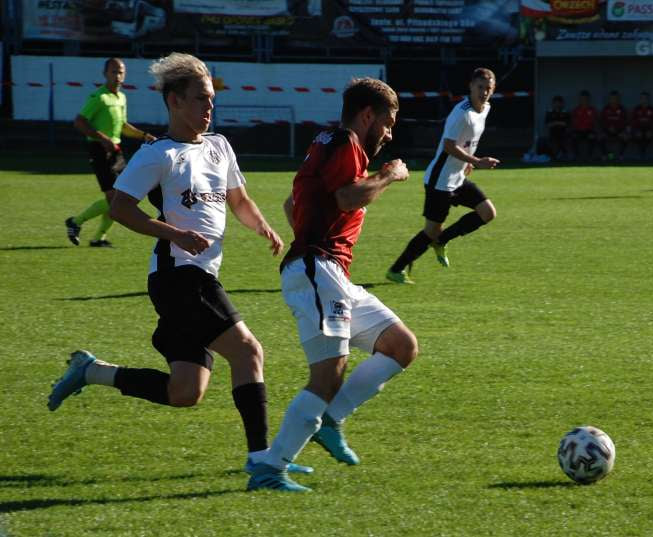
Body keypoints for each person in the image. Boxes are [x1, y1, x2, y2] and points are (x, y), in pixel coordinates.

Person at [48, 53, 292, 486]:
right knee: (249, 352)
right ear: (175, 102)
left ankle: (91, 371)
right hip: (180, 276)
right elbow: (121, 208)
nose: (209, 107)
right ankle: (262, 462)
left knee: (185, 392)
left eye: (212, 99)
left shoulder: (219, 146)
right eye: (200, 99)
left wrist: (264, 227)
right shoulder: (158, 154)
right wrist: (173, 233)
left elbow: (238, 200)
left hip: (200, 275)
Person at [246, 77, 419, 492]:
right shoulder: (346, 143)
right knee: (327, 374)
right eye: (389, 122)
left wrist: (313, 236)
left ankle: (328, 421)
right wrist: (389, 174)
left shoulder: (326, 142)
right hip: (317, 268)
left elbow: (294, 203)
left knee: (400, 345)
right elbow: (346, 198)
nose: (390, 132)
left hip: (329, 271)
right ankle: (272, 468)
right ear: (367, 116)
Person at [386, 68, 500, 283]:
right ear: (471, 86)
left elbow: (468, 141)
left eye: (488, 88)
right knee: (430, 231)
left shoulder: (485, 109)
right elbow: (448, 146)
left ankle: (441, 240)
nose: (484, 92)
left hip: (458, 177)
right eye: (480, 87)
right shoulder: (461, 113)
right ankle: (396, 269)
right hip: (440, 180)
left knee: (487, 212)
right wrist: (476, 161)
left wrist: (468, 164)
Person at [64, 58, 156, 248]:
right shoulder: (98, 97)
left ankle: (98, 238)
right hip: (99, 150)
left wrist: (144, 135)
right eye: (114, 72)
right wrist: (102, 139)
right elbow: (80, 122)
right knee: (114, 198)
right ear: (105, 74)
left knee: (120, 198)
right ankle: (77, 221)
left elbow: (123, 126)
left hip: (116, 151)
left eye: (121, 72)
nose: (118, 76)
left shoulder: (121, 97)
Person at [598, 90, 628, 160]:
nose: (614, 100)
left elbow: (625, 122)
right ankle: (605, 155)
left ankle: (621, 155)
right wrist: (607, 128)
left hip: (619, 131)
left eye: (615, 98)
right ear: (609, 99)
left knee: (626, 137)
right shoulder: (606, 109)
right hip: (607, 131)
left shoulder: (622, 109)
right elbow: (601, 121)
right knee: (600, 137)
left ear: (618, 99)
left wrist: (623, 131)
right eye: (612, 98)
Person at [569, 90, 598, 160]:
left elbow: (596, 122)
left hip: (589, 131)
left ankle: (589, 156)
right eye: (582, 99)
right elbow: (572, 123)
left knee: (593, 137)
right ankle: (577, 156)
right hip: (578, 131)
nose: (584, 100)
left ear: (588, 99)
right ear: (580, 99)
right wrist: (573, 131)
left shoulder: (592, 110)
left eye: (586, 99)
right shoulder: (576, 110)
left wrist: (595, 132)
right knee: (573, 137)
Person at [630, 91, 653, 160]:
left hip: (649, 129)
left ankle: (643, 152)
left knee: (648, 135)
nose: (644, 100)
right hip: (638, 129)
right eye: (642, 98)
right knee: (639, 134)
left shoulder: (652, 109)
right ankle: (642, 153)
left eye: (645, 98)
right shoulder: (636, 109)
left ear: (648, 99)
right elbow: (632, 121)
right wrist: (635, 129)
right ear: (640, 99)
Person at [544, 96, 569, 160]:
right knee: (553, 143)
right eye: (556, 103)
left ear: (562, 104)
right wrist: (559, 122)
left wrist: (555, 122)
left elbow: (566, 124)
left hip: (563, 134)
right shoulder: (549, 112)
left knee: (565, 142)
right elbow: (548, 124)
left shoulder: (565, 112)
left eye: (559, 103)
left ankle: (564, 155)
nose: (557, 105)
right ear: (553, 103)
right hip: (553, 134)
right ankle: (556, 156)